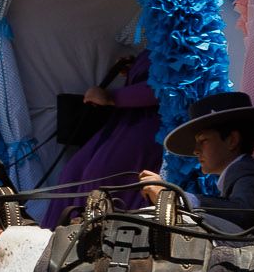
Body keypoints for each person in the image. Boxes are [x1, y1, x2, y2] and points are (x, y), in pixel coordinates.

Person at [39, 45, 163, 230]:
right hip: (124, 122)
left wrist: (112, 97)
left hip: (150, 127)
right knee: (72, 172)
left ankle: (90, 242)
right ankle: (52, 240)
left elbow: (168, 87)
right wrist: (135, 69)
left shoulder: (186, 32)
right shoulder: (158, 39)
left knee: (99, 177)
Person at [140, 89, 254, 236]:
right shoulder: (237, 175)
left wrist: (176, 197)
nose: (196, 150)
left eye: (203, 141)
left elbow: (242, 215)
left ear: (232, 140)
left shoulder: (253, 170)